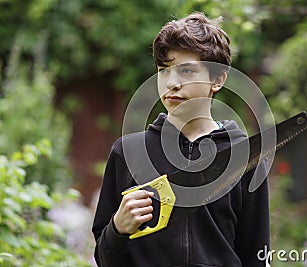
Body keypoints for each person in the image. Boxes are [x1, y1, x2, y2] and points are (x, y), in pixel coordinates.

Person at [92, 12, 270, 267]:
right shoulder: (128, 152)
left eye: (186, 71)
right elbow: (104, 259)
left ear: (218, 79)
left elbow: (257, 256)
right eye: (164, 71)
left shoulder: (245, 157)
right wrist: (117, 230)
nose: (172, 83)